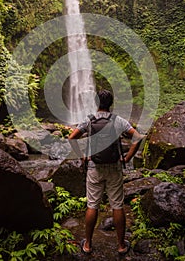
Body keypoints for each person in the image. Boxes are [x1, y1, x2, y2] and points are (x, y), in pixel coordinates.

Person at [69, 89, 145, 255]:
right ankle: (120, 245)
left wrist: (82, 156)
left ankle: (87, 244)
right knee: (117, 205)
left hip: (94, 167)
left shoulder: (88, 120)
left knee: (92, 205)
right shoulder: (118, 121)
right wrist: (127, 157)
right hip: (114, 168)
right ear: (111, 104)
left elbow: (71, 137)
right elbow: (137, 137)